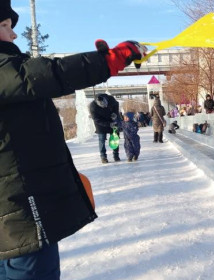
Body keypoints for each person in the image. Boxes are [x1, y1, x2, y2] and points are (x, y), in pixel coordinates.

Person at [0, 1, 147, 279]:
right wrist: (106, 60)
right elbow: (47, 73)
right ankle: (107, 154)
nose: (14, 35)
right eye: (6, 26)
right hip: (19, 215)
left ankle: (110, 154)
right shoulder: (6, 71)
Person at [89, 94, 121, 163]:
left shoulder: (110, 99)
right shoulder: (93, 107)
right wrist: (109, 124)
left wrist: (115, 113)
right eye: (103, 106)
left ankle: (116, 155)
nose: (105, 106)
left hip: (112, 119)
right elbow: (97, 120)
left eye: (106, 105)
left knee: (115, 138)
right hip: (101, 124)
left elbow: (116, 105)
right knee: (102, 140)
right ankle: (103, 157)